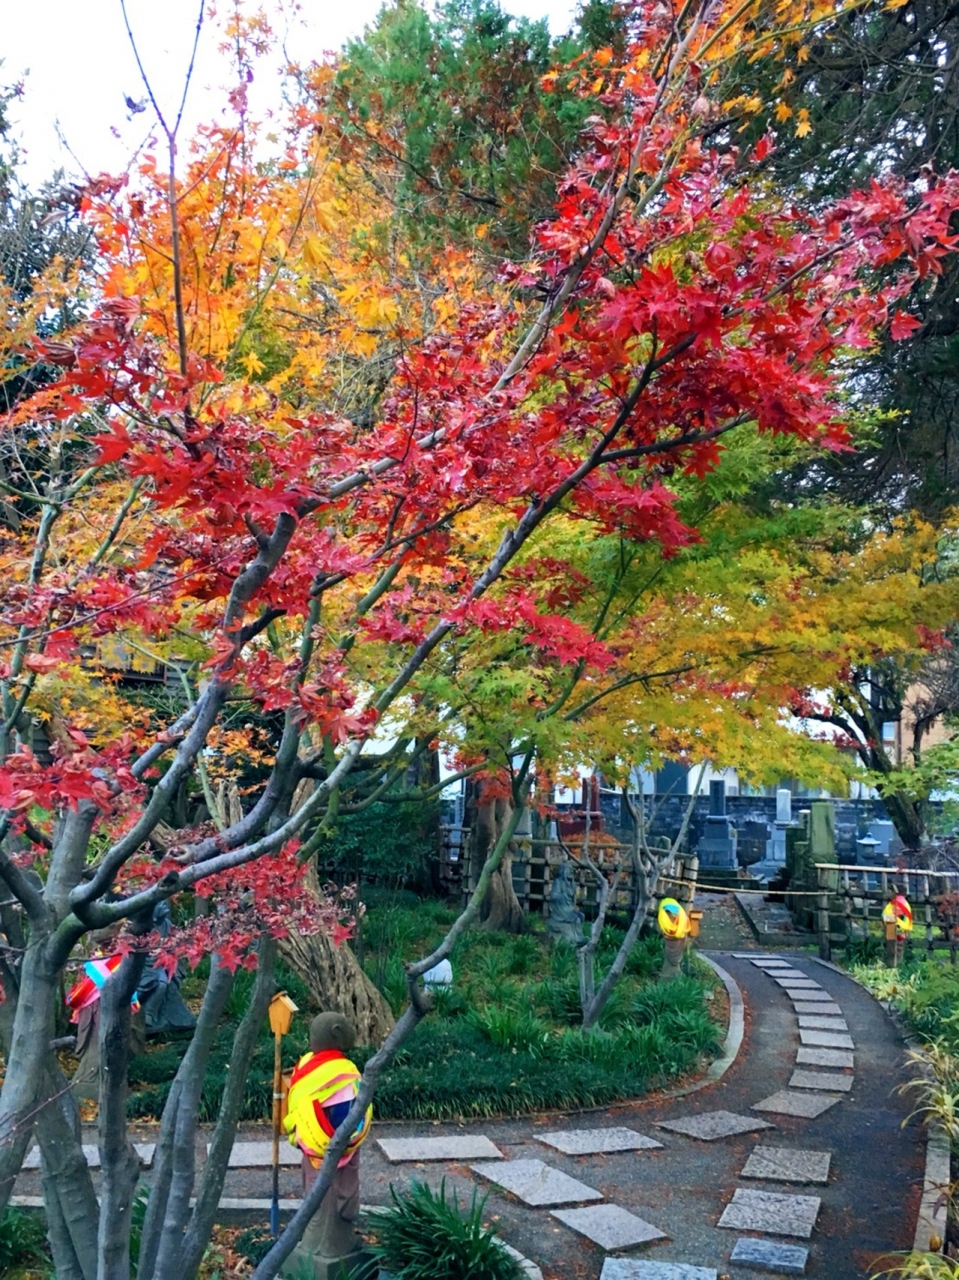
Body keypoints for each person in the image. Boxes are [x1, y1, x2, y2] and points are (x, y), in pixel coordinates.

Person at [283, 1012, 372, 1246]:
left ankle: (316, 1242)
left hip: (312, 1143)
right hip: (333, 1146)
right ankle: (331, 1245)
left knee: (315, 1194)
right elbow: (349, 1114)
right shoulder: (343, 1073)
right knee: (333, 1195)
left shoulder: (306, 1065)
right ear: (337, 1035)